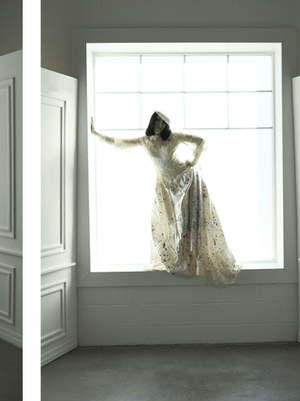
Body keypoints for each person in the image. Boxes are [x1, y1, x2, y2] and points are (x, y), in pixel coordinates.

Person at [90, 111, 240, 286]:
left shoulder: (174, 137)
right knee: (167, 223)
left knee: (188, 221)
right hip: (165, 186)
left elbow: (200, 142)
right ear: (152, 123)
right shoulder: (145, 141)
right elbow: (120, 142)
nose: (159, 126)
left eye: (162, 123)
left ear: (166, 126)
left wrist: (193, 160)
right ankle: (178, 259)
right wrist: (96, 133)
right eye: (156, 122)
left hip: (186, 179)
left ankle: (193, 260)